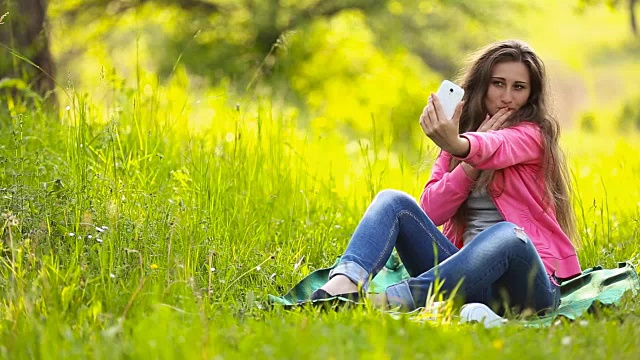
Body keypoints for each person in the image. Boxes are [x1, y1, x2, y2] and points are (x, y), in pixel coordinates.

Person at [310, 40, 582, 314]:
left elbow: (495, 146)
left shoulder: (533, 135)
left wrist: (461, 147)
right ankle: (340, 288)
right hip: (464, 280)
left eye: (519, 87)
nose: (507, 97)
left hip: (524, 289)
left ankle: (387, 301)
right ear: (482, 85)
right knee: (393, 201)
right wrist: (467, 164)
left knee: (509, 235)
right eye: (498, 83)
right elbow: (430, 211)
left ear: (530, 95)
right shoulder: (459, 136)